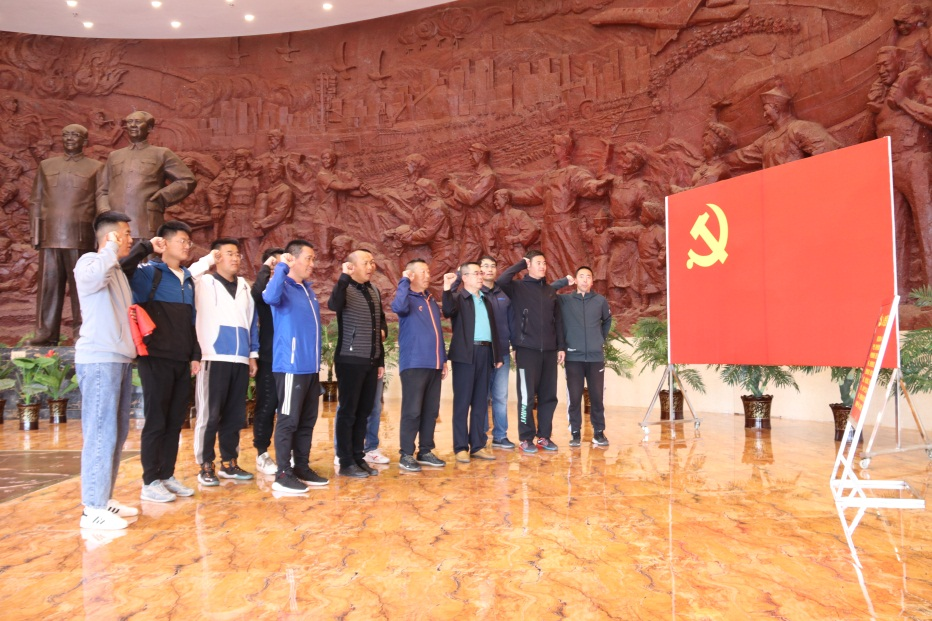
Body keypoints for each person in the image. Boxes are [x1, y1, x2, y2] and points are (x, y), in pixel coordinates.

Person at [122, 220, 200, 503]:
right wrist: (145, 247)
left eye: (188, 241)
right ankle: (149, 481)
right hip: (155, 357)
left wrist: (194, 354)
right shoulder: (149, 273)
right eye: (181, 240)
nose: (187, 246)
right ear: (164, 243)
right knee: (156, 420)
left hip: (181, 359)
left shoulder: (188, 279)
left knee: (175, 421)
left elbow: (191, 321)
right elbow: (123, 269)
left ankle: (166, 475)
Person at [73, 211, 138, 530]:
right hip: (99, 359)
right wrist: (110, 248)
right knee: (101, 431)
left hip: (119, 359)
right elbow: (91, 279)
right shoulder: (89, 262)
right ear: (110, 236)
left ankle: (104, 497)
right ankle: (92, 508)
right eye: (125, 234)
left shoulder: (117, 270)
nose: (130, 239)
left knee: (116, 432)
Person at [189, 238, 259, 486]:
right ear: (217, 256)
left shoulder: (245, 286)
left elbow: (252, 322)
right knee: (209, 416)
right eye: (229, 253)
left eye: (237, 254)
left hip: (239, 360)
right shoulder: (204, 282)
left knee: (234, 416)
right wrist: (208, 259)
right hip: (213, 358)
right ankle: (205, 465)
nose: (235, 258)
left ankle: (229, 463)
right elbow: (188, 274)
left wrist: (252, 354)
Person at [28, 123, 105, 345]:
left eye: (75, 135)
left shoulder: (96, 167)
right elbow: (36, 200)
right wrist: (36, 234)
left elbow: (101, 201)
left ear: (85, 141)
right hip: (50, 235)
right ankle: (45, 333)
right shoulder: (47, 165)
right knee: (48, 286)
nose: (70, 138)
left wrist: (101, 235)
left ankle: (83, 332)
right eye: (66, 135)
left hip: (81, 236)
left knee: (82, 287)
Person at [262, 239, 329, 493]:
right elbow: (269, 297)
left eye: (313, 259)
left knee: (307, 421)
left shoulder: (307, 289)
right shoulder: (282, 285)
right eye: (308, 258)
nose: (312, 263)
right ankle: (282, 474)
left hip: (310, 367)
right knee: (288, 420)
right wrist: (281, 266)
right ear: (293, 258)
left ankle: (301, 466)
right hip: (291, 366)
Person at [495, 250, 565, 453]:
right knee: (526, 396)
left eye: (544, 263)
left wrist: (560, 347)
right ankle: (526, 438)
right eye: (538, 263)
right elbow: (502, 280)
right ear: (529, 265)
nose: (543, 266)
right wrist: (520, 264)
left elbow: (558, 322)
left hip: (549, 351)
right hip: (526, 350)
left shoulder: (550, 291)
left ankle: (544, 436)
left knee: (548, 397)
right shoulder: (517, 287)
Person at [328, 249, 385, 478]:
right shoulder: (345, 288)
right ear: (352, 266)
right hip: (350, 360)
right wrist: (343, 277)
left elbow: (379, 327)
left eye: (372, 262)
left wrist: (379, 360)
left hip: (371, 360)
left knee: (364, 412)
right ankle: (345, 462)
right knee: (348, 412)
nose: (371, 266)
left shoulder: (373, 290)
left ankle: (358, 458)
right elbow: (334, 304)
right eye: (366, 263)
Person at [98, 111, 196, 240]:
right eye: (129, 122)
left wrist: (162, 197)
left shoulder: (161, 153)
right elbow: (103, 191)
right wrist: (105, 212)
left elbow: (187, 180)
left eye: (138, 122)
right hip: (115, 228)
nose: (133, 125)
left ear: (149, 128)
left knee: (146, 253)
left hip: (146, 223)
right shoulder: (114, 156)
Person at [390, 259, 447, 472]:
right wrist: (403, 281)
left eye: (428, 271)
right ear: (411, 275)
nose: (428, 275)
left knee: (431, 411)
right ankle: (406, 454)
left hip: (434, 363)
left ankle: (425, 451)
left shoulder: (430, 300)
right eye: (423, 272)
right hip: (414, 363)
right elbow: (398, 307)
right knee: (412, 410)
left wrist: (443, 359)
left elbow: (438, 332)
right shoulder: (407, 298)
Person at [443, 262, 502, 462]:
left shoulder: (486, 300)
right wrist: (448, 286)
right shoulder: (458, 298)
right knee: (462, 402)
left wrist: (497, 355)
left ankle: (477, 445)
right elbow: (447, 310)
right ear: (465, 277)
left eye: (480, 273)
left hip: (485, 352)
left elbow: (494, 329)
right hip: (465, 355)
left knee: (480, 402)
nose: (481, 276)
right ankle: (460, 447)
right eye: (476, 273)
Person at [551, 266, 612, 447]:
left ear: (592, 281)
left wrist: (599, 338)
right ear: (576, 280)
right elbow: (547, 291)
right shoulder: (565, 300)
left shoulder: (600, 301)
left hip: (595, 357)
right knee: (574, 397)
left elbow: (607, 320)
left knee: (597, 397)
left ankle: (599, 432)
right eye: (581, 276)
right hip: (573, 357)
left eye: (588, 277)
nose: (585, 279)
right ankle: (575, 433)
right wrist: (564, 281)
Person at [728, 86, 840, 170]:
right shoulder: (766, 140)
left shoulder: (800, 128)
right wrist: (719, 157)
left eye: (766, 110)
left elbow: (828, 150)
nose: (764, 115)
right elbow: (741, 156)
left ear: (776, 108)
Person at [251, 246, 285, 475]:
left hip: (290, 360)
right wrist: (267, 267)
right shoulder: (264, 294)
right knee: (266, 406)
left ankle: (287, 453)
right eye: (276, 265)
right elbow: (256, 293)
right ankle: (262, 453)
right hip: (269, 358)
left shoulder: (289, 291)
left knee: (288, 409)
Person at [479, 256, 515, 450]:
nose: (490, 269)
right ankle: (481, 435)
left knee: (501, 396)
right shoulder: (476, 294)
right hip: (483, 352)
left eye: (493, 266)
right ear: (479, 270)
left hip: (502, 352)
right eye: (485, 266)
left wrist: (514, 346)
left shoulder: (504, 294)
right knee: (482, 396)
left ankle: (500, 436)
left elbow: (511, 322)